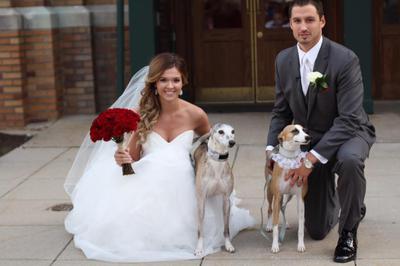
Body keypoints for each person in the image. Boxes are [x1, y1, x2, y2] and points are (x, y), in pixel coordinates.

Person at [64, 53, 254, 263]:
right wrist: (123, 157)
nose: (170, 86)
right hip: (148, 181)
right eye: (163, 80)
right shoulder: (139, 114)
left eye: (175, 80)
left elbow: (212, 149)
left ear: (183, 83)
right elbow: (133, 157)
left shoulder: (196, 114)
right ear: (154, 83)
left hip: (185, 184)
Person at [265, 0, 375, 263]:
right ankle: (351, 202)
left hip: (350, 133)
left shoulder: (345, 59)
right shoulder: (283, 60)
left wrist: (310, 159)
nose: (303, 27)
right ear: (290, 24)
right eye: (297, 21)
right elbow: (281, 111)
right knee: (315, 230)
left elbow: (349, 118)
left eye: (310, 20)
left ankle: (348, 231)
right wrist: (271, 150)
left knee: (349, 162)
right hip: (310, 136)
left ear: (322, 22)